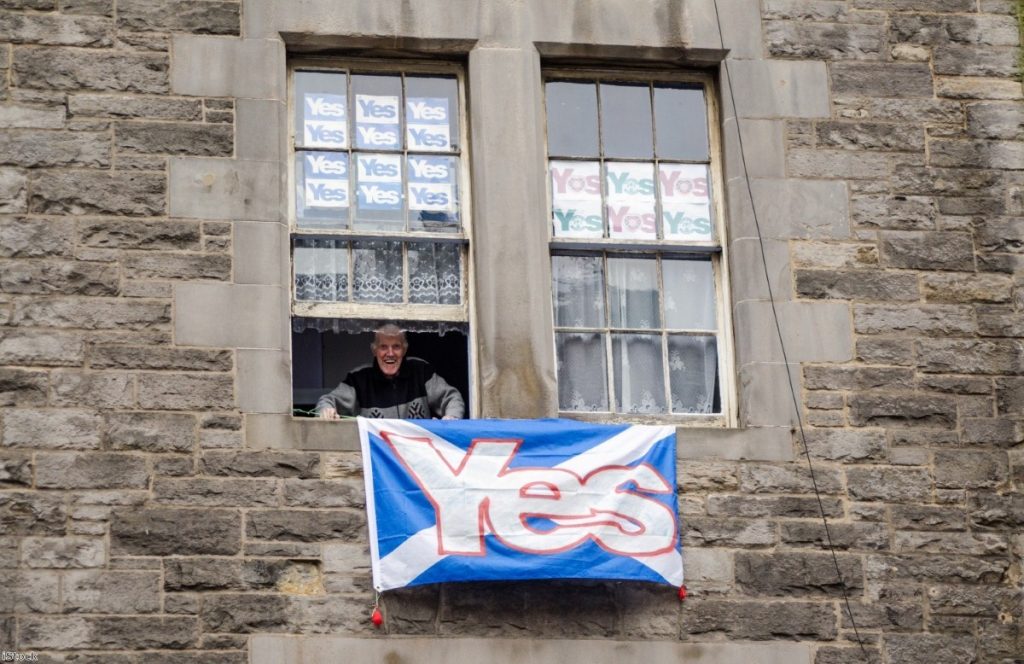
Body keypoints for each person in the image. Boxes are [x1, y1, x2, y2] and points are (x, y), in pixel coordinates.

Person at [317, 323, 464, 420]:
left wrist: (451, 418)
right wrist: (327, 410)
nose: (390, 353)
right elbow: (327, 400)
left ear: (405, 349)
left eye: (396, 346)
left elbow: (452, 397)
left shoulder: (420, 370)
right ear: (374, 350)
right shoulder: (359, 379)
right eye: (383, 347)